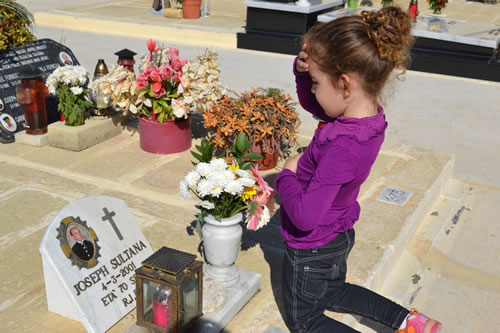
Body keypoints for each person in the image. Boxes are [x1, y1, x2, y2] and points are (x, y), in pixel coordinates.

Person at [275, 6, 442, 333]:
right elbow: (324, 104)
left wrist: (287, 176)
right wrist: (302, 73)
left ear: (346, 84)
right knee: (333, 290)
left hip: (313, 245)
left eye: (316, 82)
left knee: (305, 321)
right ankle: (410, 322)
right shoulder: (368, 120)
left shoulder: (342, 147)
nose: (312, 89)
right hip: (339, 233)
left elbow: (306, 216)